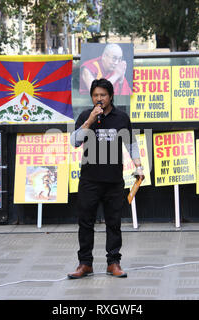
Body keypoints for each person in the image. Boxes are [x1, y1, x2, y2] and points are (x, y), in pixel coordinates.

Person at [68, 78, 144, 279]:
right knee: (85, 222)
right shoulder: (86, 116)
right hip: (89, 179)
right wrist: (90, 120)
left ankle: (114, 263)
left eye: (102, 95)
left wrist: (139, 166)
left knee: (114, 223)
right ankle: (85, 264)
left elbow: (131, 143)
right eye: (95, 95)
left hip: (113, 180)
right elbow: (74, 142)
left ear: (110, 96)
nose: (99, 99)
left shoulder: (121, 118)